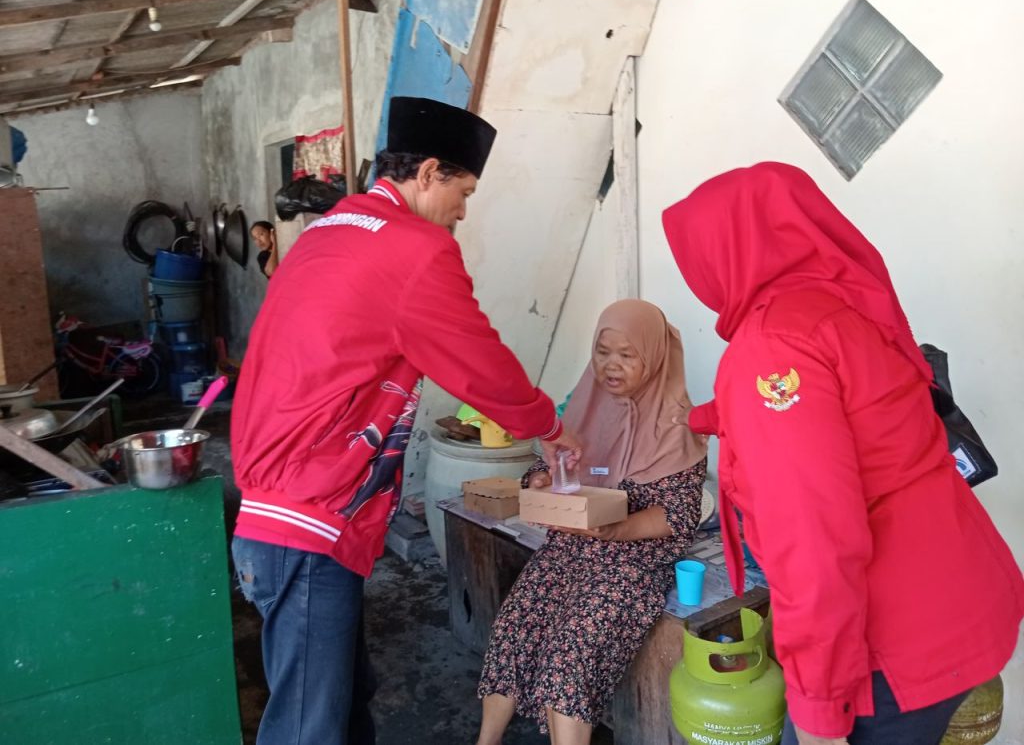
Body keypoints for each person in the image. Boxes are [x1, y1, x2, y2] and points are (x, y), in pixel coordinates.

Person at [230, 96, 582, 745]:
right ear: (426, 173)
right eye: (463, 192)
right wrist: (550, 426)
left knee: (344, 701)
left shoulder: (328, 232)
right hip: (307, 515)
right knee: (310, 727)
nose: (463, 211)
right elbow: (479, 364)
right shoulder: (415, 248)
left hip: (275, 508)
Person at [661, 162, 1024, 745]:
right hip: (956, 590)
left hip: (892, 640)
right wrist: (708, 415)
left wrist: (820, 707)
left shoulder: (770, 346)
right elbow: (851, 411)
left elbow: (813, 540)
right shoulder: (833, 306)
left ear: (721, 254)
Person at [476, 299, 708, 745]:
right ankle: (486, 741)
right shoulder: (583, 406)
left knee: (571, 655)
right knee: (513, 629)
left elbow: (678, 515)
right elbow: (548, 467)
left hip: (632, 561)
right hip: (569, 547)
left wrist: (615, 530)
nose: (611, 365)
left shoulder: (677, 424)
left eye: (627, 354)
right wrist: (541, 479)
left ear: (654, 355)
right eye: (603, 352)